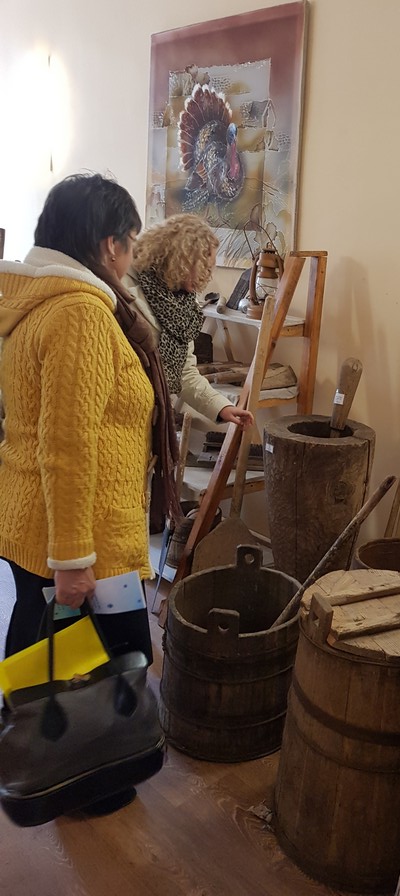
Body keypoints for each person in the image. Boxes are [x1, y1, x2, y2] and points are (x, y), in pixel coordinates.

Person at [0, 172, 181, 813]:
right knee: (112, 657)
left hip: (39, 522)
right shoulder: (80, 313)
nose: (131, 258)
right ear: (110, 245)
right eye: (130, 242)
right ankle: (84, 777)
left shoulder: (38, 302)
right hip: (86, 538)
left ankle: (51, 766)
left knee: (46, 652)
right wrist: (73, 560)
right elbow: (68, 445)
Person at [124, 213, 254, 430]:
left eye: (210, 269)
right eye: (203, 267)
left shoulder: (183, 303)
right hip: (120, 411)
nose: (207, 276)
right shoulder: (123, 285)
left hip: (151, 418)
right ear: (180, 259)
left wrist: (222, 407)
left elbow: (185, 373)